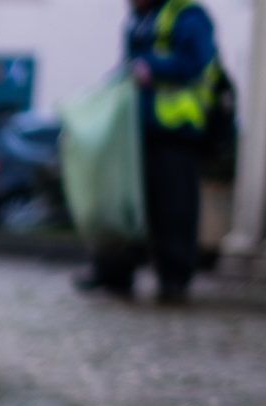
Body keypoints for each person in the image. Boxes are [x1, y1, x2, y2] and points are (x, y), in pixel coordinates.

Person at [79, 0, 221, 303]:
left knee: (174, 209)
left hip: (175, 130)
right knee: (122, 203)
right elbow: (127, 66)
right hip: (134, 131)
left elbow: (198, 62)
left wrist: (151, 67)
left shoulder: (187, 16)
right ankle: (114, 271)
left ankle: (174, 279)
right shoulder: (138, 19)